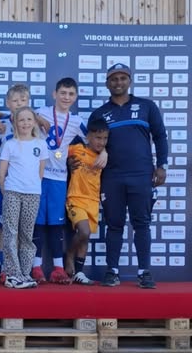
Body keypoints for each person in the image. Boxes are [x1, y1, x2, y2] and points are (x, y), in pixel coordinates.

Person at [89, 63, 168, 289]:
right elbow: (92, 142)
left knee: (141, 223)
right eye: (114, 79)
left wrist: (162, 166)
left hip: (142, 175)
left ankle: (144, 272)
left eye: (123, 78)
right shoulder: (99, 113)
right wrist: (102, 151)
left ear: (129, 81)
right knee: (114, 224)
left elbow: (160, 136)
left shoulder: (147, 106)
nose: (118, 82)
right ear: (107, 84)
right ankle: (112, 271)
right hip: (111, 177)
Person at [31, 78, 95, 284]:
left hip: (59, 178)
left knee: (56, 224)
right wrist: (35, 118)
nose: (66, 97)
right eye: (63, 93)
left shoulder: (76, 121)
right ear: (54, 94)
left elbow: (93, 140)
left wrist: (104, 153)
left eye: (71, 94)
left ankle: (58, 267)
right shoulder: (41, 111)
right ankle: (36, 267)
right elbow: (19, 114)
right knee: (37, 223)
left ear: (75, 97)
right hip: (38, 176)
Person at [0, 106, 48, 289]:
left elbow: (40, 172)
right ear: (15, 123)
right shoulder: (10, 144)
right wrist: (7, 192)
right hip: (12, 192)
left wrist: (32, 187)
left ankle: (25, 273)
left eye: (29, 119)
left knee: (27, 234)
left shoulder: (41, 144)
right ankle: (12, 274)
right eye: (21, 120)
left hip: (33, 194)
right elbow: (1, 173)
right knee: (11, 233)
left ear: (34, 122)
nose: (25, 123)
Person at [0, 84, 32, 282]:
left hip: (26, 187)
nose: (19, 104)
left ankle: (21, 269)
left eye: (23, 100)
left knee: (22, 229)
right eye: (15, 101)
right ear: (8, 103)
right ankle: (5, 268)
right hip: (5, 186)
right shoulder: (0, 125)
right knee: (5, 228)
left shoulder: (33, 125)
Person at [65, 118, 110, 285]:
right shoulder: (77, 149)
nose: (101, 142)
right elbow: (57, 153)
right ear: (88, 136)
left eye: (105, 138)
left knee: (86, 237)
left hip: (93, 200)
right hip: (75, 198)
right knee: (83, 232)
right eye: (98, 138)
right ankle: (69, 254)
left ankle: (79, 272)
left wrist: (105, 152)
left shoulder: (104, 156)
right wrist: (66, 161)